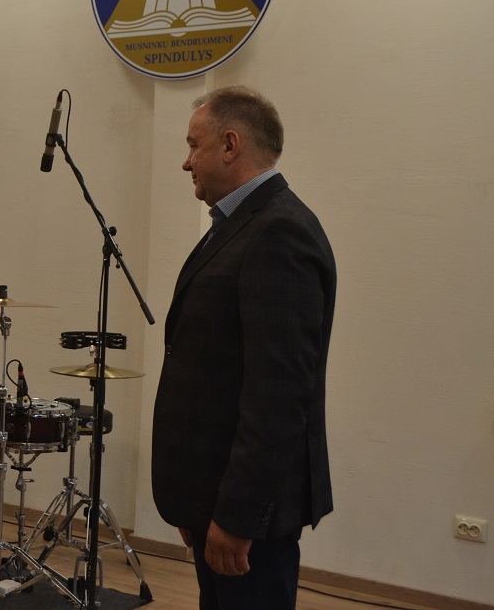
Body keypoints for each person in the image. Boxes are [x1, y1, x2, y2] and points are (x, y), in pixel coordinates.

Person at [151, 86, 337, 610]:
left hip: (245, 517)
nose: (186, 161)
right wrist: (196, 502)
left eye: (194, 145)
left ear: (230, 145)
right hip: (212, 498)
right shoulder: (237, 226)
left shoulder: (279, 233)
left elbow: (278, 396)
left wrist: (237, 517)